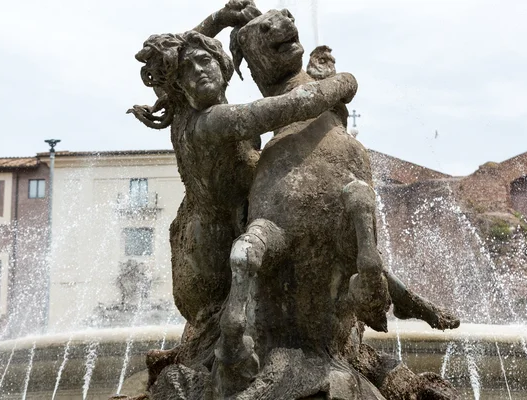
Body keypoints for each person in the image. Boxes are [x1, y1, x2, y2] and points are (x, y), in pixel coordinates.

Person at [128, 29, 358, 380]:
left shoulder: (184, 115)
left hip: (196, 243)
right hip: (216, 257)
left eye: (204, 61)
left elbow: (168, 56)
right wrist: (345, 83)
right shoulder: (213, 121)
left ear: (223, 63)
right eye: (187, 71)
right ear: (179, 87)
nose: (198, 72)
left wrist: (224, 17)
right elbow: (294, 106)